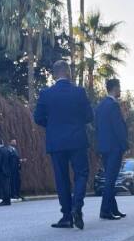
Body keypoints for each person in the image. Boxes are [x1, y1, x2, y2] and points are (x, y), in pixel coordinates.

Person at [33, 60, 93, 229]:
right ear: (68, 72)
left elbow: (38, 118)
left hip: (56, 141)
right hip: (77, 139)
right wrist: (76, 122)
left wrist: (52, 126)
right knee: (81, 174)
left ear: (54, 74)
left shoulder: (46, 94)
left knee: (62, 179)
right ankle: (77, 206)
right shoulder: (79, 92)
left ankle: (67, 216)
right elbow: (89, 116)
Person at [94, 78, 128, 220]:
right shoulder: (113, 106)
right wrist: (125, 145)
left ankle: (113, 209)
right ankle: (105, 211)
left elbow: (97, 126)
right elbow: (118, 128)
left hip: (104, 147)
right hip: (114, 147)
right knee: (111, 179)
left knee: (110, 178)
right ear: (114, 88)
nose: (120, 91)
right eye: (119, 88)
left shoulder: (100, 106)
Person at [0, 140, 13, 206]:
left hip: (2, 171)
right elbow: (11, 160)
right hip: (8, 171)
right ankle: (8, 200)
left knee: (4, 186)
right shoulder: (7, 150)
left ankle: (5, 200)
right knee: (7, 186)